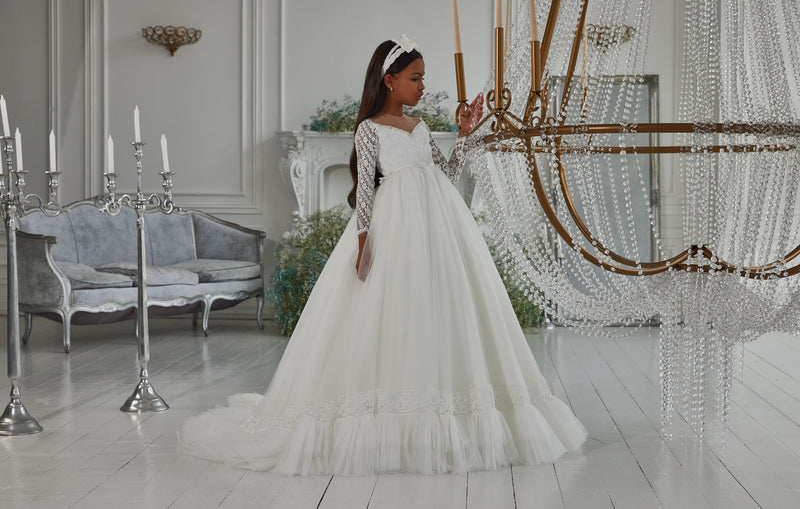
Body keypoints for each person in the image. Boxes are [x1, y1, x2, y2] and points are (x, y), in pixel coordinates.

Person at [181, 36, 587, 476]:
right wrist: (362, 241)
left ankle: (451, 413)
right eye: (416, 79)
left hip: (438, 231)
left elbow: (446, 176)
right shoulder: (370, 129)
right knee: (390, 313)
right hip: (394, 230)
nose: (422, 87)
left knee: (440, 314)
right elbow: (369, 190)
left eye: (424, 79)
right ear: (390, 81)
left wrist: (466, 137)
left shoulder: (422, 128)